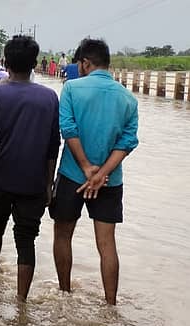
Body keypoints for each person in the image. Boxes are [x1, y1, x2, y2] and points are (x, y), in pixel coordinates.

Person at [49, 38, 139, 305]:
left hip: (72, 175)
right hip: (110, 181)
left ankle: (65, 294)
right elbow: (127, 142)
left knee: (63, 234)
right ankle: (111, 304)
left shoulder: (72, 89)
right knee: (107, 243)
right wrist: (102, 174)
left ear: (85, 62)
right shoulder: (128, 98)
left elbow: (68, 130)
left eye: (80, 63)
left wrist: (88, 168)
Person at [0, 35, 61, 301]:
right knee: (26, 240)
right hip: (33, 181)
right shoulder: (49, 98)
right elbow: (52, 145)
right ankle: (21, 301)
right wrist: (49, 183)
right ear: (35, 63)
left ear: (6, 63)